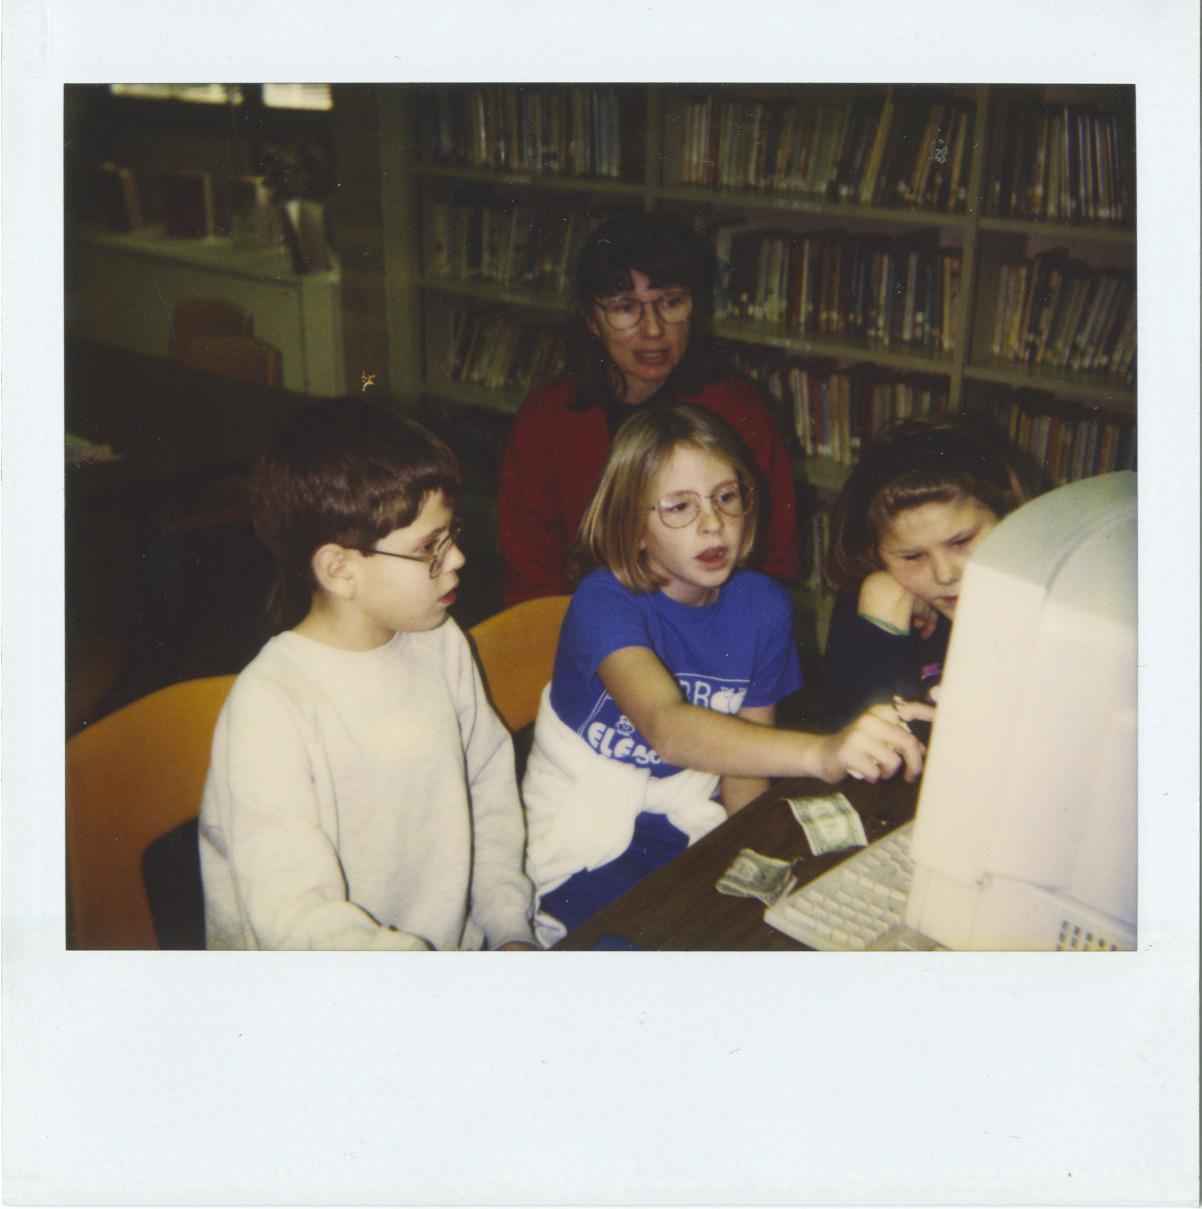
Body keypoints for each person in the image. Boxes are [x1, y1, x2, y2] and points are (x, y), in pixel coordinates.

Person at [521, 405, 932, 946]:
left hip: (688, 814)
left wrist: (756, 854)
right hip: (586, 825)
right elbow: (666, 728)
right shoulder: (604, 600)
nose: (712, 523)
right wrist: (821, 753)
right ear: (631, 524)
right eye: (679, 506)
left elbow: (745, 763)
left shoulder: (762, 605)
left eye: (726, 497)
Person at [198, 398, 538, 951]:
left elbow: (489, 792)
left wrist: (506, 925)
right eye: (429, 547)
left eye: (452, 534)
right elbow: (293, 912)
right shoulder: (272, 703)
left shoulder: (441, 641)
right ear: (339, 569)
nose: (456, 561)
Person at [498, 211, 799, 606]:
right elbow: (530, 573)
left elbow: (776, 554)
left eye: (670, 302)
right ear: (592, 319)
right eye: (625, 308)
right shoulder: (547, 420)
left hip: (710, 624)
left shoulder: (736, 409)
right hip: (585, 628)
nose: (654, 329)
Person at [821, 415, 1026, 731]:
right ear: (875, 553)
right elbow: (866, 753)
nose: (945, 575)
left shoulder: (1034, 602)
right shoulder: (868, 607)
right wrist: (885, 614)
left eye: (961, 541)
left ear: (1008, 516)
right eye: (912, 556)